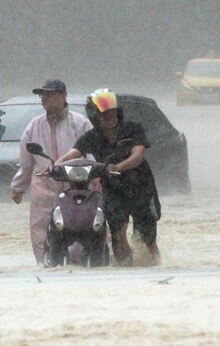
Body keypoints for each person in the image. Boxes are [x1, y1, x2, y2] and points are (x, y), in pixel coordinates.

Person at [59, 88, 161, 266]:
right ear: (94, 116)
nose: (109, 117)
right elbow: (73, 153)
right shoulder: (91, 137)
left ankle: (155, 267)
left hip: (142, 188)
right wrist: (54, 165)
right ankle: (126, 269)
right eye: (104, 114)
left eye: (112, 112)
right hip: (113, 190)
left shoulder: (133, 129)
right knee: (118, 234)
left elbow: (138, 155)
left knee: (147, 238)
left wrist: (120, 167)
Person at [11, 79, 91, 265]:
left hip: (78, 183)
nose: (44, 98)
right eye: (42, 95)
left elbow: (92, 154)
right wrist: (18, 188)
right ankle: (44, 265)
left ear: (63, 96)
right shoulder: (34, 126)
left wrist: (96, 179)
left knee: (88, 223)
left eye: (49, 94)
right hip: (44, 183)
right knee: (40, 227)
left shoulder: (80, 124)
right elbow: (26, 162)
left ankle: (92, 262)